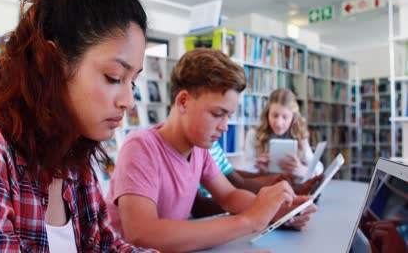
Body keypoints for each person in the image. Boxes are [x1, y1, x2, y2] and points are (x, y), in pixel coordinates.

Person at [0, 0, 157, 252]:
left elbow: (107, 246)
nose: (128, 100)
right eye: (114, 76)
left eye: (132, 82)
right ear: (49, 62)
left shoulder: (75, 160)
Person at [106, 48, 317, 252]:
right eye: (218, 114)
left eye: (228, 116)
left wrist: (277, 211)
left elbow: (229, 195)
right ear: (183, 101)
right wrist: (249, 221)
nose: (225, 126)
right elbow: (142, 234)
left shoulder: (199, 149)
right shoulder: (141, 147)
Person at [192, 141, 323, 219]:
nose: (225, 127)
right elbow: (200, 206)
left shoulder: (209, 146)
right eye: (217, 113)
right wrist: (267, 212)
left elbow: (235, 185)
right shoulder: (195, 149)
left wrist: (277, 205)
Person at [245, 88, 324, 178]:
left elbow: (318, 167)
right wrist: (258, 169)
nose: (279, 123)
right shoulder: (253, 135)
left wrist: (302, 169)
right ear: (267, 114)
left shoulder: (299, 136)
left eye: (285, 117)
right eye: (275, 115)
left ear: (293, 118)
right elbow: (245, 169)